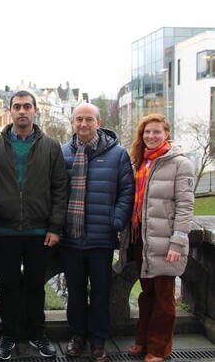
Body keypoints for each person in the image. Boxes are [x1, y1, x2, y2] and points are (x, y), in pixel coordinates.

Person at [0, 91, 68, 359]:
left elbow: (60, 188)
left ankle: (37, 333)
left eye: (27, 107)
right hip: (4, 231)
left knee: (34, 285)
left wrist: (55, 227)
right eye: (17, 106)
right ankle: (7, 335)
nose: (22, 111)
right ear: (10, 111)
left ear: (35, 111)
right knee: (8, 285)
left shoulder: (51, 146)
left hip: (39, 231)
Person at [60, 103, 134, 362]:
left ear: (98, 122)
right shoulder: (63, 153)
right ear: (72, 123)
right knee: (76, 291)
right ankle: (77, 336)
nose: (83, 124)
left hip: (101, 238)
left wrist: (115, 220)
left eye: (88, 119)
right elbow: (56, 192)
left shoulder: (118, 154)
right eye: (78, 119)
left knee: (101, 291)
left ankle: (99, 339)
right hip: (71, 237)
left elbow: (127, 191)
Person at [121, 114, 194, 362]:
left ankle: (159, 349)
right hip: (141, 238)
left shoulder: (179, 163)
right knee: (147, 294)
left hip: (165, 240)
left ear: (167, 134)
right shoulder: (139, 163)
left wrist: (178, 241)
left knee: (164, 297)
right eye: (146, 133)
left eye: (156, 132)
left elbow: (185, 206)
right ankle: (142, 341)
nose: (151, 136)